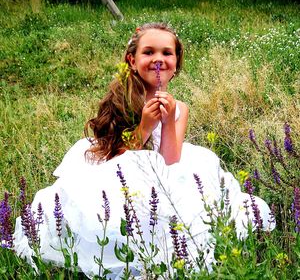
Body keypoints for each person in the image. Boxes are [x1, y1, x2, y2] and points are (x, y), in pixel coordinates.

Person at [13, 23, 274, 279]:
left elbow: (171, 160)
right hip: (116, 174)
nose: (158, 60)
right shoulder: (122, 99)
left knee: (192, 205)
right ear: (131, 60)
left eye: (166, 53)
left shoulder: (179, 107)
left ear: (177, 62)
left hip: (162, 175)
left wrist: (168, 120)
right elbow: (112, 156)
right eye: (148, 52)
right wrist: (146, 126)